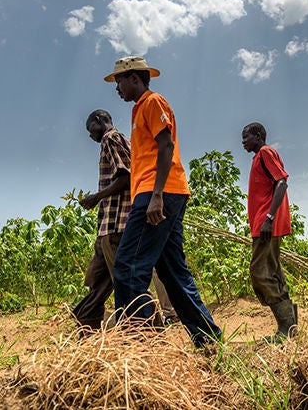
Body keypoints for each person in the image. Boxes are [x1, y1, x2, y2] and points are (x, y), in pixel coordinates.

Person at [105, 56, 221, 347]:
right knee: (172, 272)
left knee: (128, 266)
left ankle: (141, 345)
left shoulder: (152, 102)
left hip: (158, 193)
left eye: (119, 81)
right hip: (163, 192)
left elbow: (166, 144)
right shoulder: (139, 109)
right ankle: (208, 340)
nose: (117, 88)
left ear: (134, 78)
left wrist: (156, 195)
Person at [71, 109, 178, 332]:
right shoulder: (123, 141)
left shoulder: (111, 139)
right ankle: (87, 327)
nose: (90, 135)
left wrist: (96, 197)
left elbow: (126, 176)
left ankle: (152, 330)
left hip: (117, 224)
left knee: (128, 281)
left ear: (99, 120)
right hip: (107, 227)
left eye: (90, 128)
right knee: (98, 281)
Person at [241, 122, 297, 343]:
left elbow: (281, 182)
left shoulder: (266, 152)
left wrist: (269, 218)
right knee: (272, 270)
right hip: (263, 223)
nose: (243, 141)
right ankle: (290, 327)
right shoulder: (258, 157)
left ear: (258, 136)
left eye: (246, 137)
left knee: (260, 272)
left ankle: (286, 327)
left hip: (267, 224)